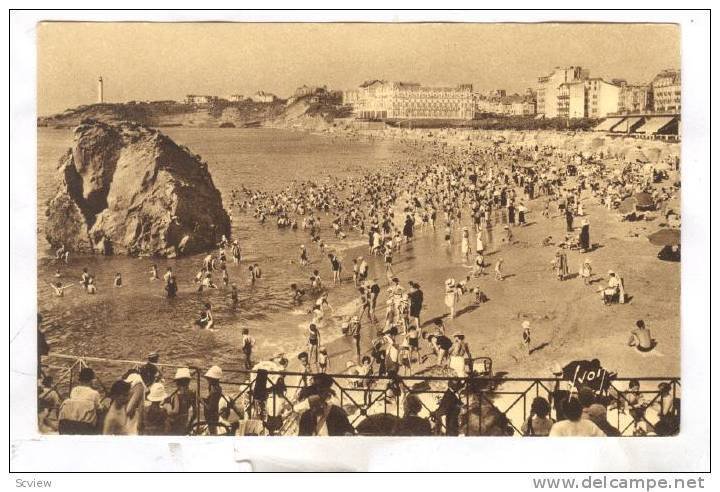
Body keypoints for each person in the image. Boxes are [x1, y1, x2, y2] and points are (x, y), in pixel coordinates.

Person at [58, 367, 104, 434]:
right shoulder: (94, 393)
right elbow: (99, 409)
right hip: (85, 427)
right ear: (91, 380)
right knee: (101, 413)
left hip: (66, 424)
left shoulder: (74, 390)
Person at [167, 368, 197, 436]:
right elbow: (195, 413)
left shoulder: (176, 396)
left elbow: (173, 413)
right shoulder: (192, 394)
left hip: (176, 425)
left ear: (178, 383)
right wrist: (189, 425)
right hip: (185, 423)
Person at [203, 365, 223, 435]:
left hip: (211, 416)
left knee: (213, 433)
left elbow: (210, 408)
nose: (208, 380)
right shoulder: (217, 388)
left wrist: (200, 400)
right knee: (213, 432)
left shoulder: (214, 391)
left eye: (209, 378)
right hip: (214, 415)